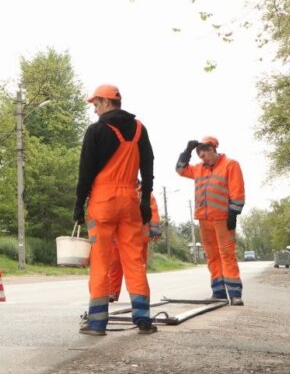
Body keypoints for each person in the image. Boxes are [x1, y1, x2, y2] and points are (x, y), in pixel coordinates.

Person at [74, 84, 156, 335]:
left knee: (100, 260)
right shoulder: (140, 129)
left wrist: (78, 205)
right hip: (130, 201)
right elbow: (148, 164)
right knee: (133, 260)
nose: (95, 109)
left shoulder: (97, 130)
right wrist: (144, 202)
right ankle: (142, 317)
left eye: (96, 104)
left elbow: (85, 172)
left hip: (102, 202)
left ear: (107, 102)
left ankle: (97, 323)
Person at [176, 136, 246, 304]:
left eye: (204, 153)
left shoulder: (230, 165)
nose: (202, 157)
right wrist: (186, 152)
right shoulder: (198, 168)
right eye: (199, 154)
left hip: (222, 219)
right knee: (212, 256)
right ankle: (219, 292)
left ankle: (235, 294)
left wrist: (233, 215)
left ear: (213, 149)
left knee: (227, 255)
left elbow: (237, 191)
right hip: (204, 219)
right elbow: (180, 170)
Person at [107, 181, 161, 302]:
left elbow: (153, 212)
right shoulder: (118, 190)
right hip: (118, 236)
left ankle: (139, 295)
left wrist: (155, 230)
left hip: (138, 237)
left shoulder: (145, 193)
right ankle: (112, 292)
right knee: (114, 265)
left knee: (137, 267)